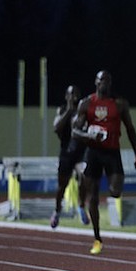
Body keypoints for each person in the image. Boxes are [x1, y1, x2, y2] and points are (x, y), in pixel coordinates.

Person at [72, 70, 136, 255]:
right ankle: (97, 239)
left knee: (116, 191)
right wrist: (88, 135)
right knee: (92, 196)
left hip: (112, 152)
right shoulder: (86, 103)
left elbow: (130, 128)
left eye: (108, 80)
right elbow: (75, 131)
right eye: (101, 79)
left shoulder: (120, 104)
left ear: (111, 83)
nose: (104, 83)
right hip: (93, 152)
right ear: (95, 81)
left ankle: (106, 189)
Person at [50, 85, 89, 229]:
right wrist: (68, 111)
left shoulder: (83, 112)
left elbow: (86, 129)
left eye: (77, 94)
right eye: (71, 94)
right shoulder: (61, 110)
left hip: (80, 153)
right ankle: (57, 211)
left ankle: (81, 206)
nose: (74, 97)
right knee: (62, 186)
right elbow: (56, 128)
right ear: (66, 96)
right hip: (66, 153)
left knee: (84, 175)